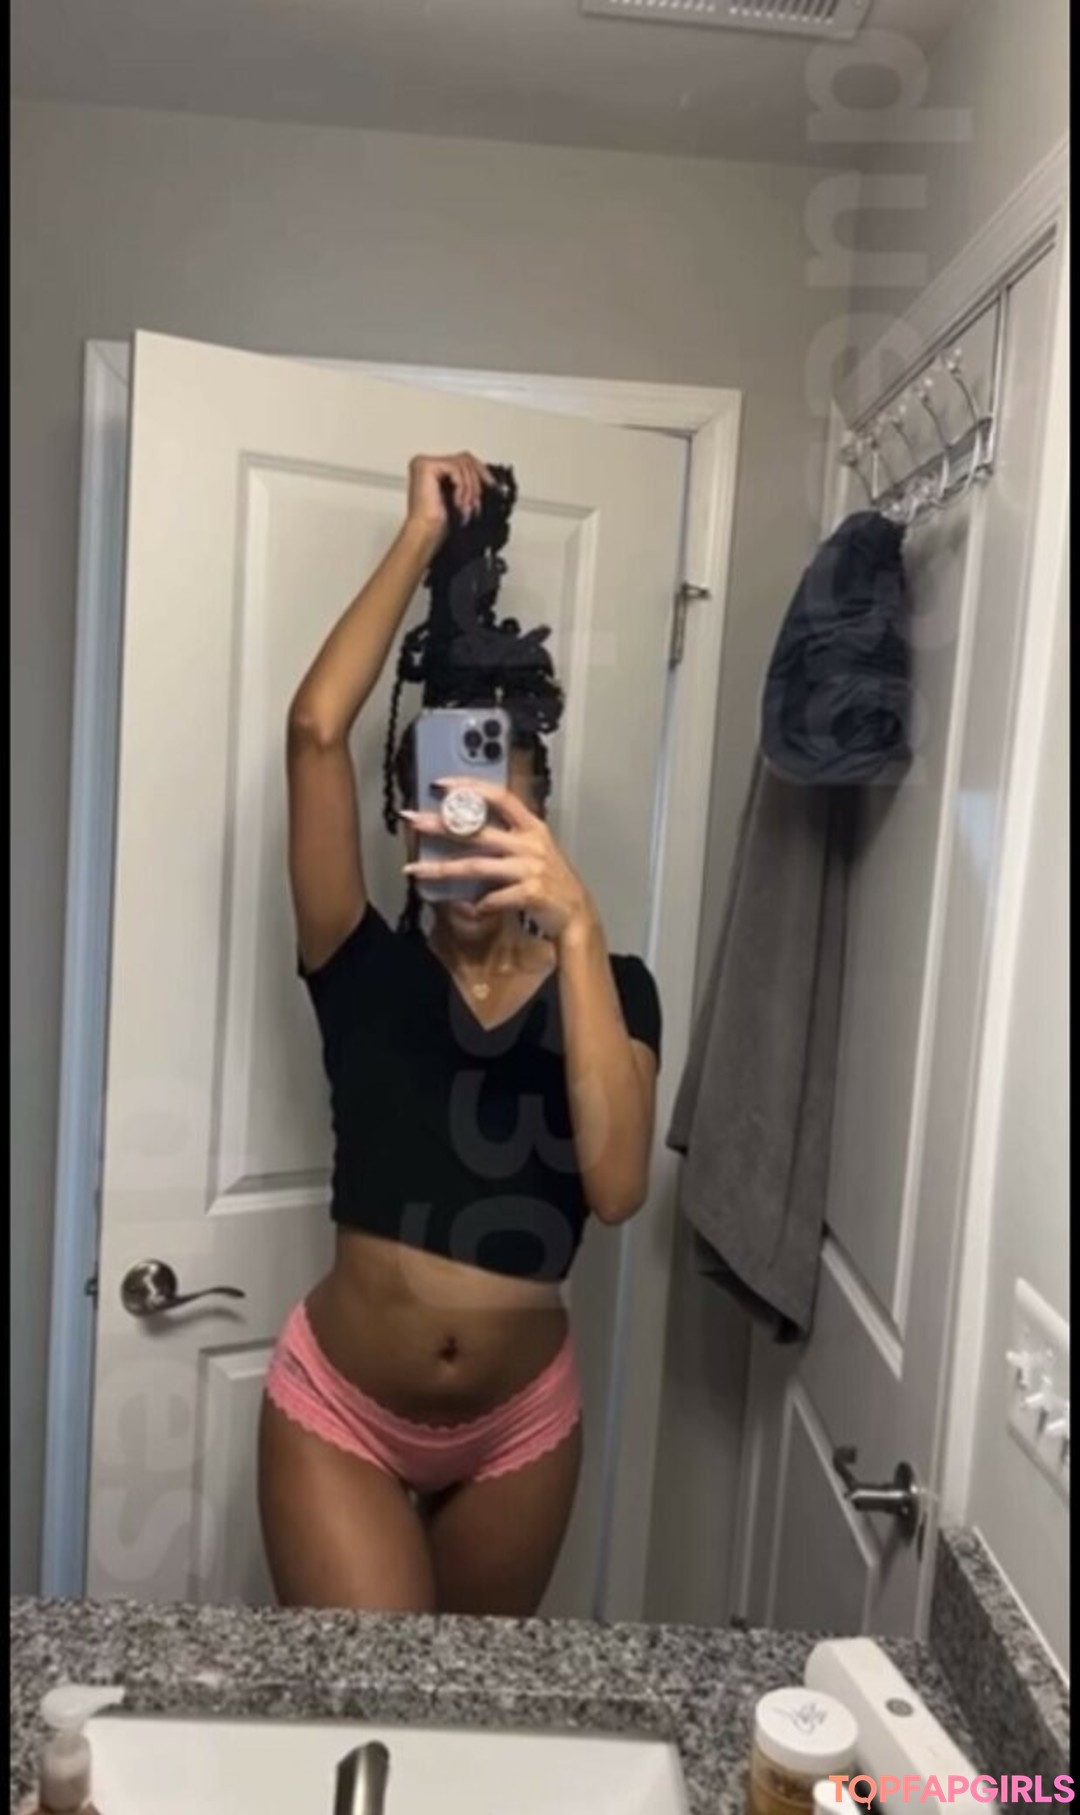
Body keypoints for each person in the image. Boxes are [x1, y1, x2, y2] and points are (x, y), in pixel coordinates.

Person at [258, 451, 662, 1616]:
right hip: (341, 1414)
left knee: (479, 1710)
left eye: (497, 809)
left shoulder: (613, 986)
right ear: (403, 824)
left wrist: (577, 926)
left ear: (539, 817)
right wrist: (419, 538)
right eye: (441, 807)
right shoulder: (358, 963)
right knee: (366, 1700)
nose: (466, 834)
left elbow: (618, 1190)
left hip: (520, 1431)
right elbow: (313, 732)